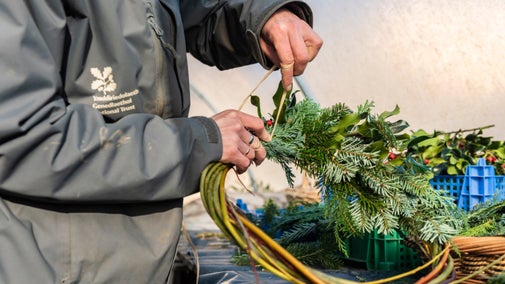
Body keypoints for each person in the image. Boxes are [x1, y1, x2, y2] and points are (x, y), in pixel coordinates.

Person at [0, 1, 322, 283]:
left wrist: (263, 17)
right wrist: (196, 144)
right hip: (54, 264)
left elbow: (197, 9)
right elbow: (23, 137)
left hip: (145, 256)